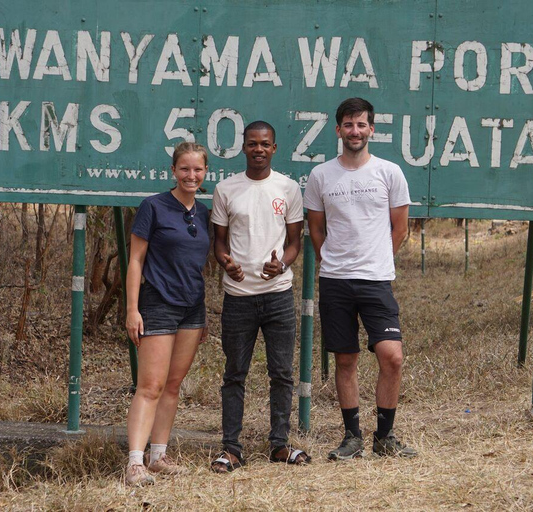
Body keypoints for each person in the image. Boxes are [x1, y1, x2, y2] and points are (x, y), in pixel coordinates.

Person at [304, 97, 417, 460]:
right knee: (346, 360)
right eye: (348, 125)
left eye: (361, 125)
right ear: (338, 130)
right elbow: (316, 229)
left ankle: (385, 437)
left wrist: (377, 258)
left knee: (392, 357)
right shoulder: (321, 175)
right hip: (335, 280)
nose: (355, 131)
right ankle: (352, 437)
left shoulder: (389, 172)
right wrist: (333, 260)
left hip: (376, 280)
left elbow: (399, 228)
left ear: (372, 129)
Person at [209, 121, 310, 472]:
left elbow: (295, 242)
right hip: (238, 297)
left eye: (265, 144)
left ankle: (279, 444)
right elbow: (219, 241)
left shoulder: (288, 188)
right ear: (243, 147)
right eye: (252, 144)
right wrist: (226, 263)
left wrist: (281, 263)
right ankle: (231, 450)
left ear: (274, 148)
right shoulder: (226, 189)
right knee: (235, 373)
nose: (259, 149)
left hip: (278, 295)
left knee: (281, 373)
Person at [124, 142, 211, 486]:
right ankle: (134, 463)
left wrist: (204, 314)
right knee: (150, 386)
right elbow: (135, 261)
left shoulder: (203, 212)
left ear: (206, 173)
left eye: (198, 170)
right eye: (185, 169)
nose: (191, 176)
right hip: (158, 303)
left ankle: (158, 455)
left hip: (192, 307)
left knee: (173, 385)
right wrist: (132, 309)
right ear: (173, 171)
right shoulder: (153, 207)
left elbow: (201, 262)